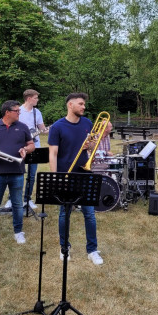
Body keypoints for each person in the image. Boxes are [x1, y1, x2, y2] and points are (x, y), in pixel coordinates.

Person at [48, 93, 103, 265]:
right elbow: (53, 154)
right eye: (80, 104)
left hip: (84, 174)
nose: (83, 107)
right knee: (65, 213)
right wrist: (56, 178)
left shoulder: (87, 123)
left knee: (90, 214)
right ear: (70, 105)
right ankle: (64, 248)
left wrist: (90, 145)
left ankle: (92, 250)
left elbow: (93, 147)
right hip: (65, 175)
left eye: (84, 104)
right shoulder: (57, 127)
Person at [0, 100, 35, 245]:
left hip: (17, 171)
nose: (19, 113)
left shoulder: (22, 127)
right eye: (17, 111)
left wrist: (25, 149)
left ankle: (18, 232)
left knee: (17, 204)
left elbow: (31, 145)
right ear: (7, 112)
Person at [4, 89, 47, 211]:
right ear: (29, 98)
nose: (37, 100)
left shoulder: (37, 112)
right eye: (35, 98)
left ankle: (27, 199)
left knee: (32, 175)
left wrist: (51, 129)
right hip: (18, 147)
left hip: (34, 146)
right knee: (16, 173)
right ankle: (11, 198)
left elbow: (42, 128)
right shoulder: (18, 111)